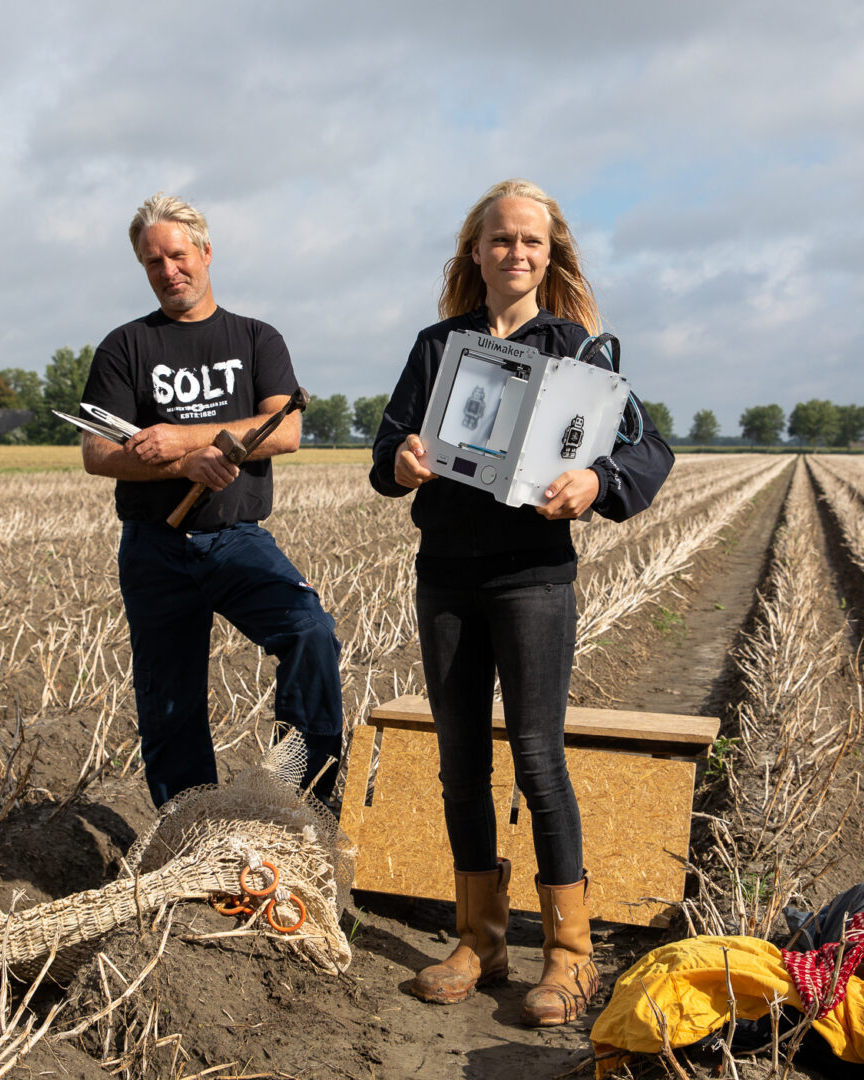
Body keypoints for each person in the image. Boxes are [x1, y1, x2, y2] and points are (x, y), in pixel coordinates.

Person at [368, 179, 673, 1026]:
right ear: (476, 252)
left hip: (534, 579)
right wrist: (402, 462)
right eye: (500, 241)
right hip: (447, 577)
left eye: (531, 243)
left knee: (538, 759)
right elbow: (387, 448)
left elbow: (651, 454)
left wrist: (595, 480)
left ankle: (568, 955)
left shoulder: (582, 351)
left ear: (552, 254)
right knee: (461, 761)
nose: (515, 254)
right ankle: (483, 940)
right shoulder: (438, 347)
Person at [80, 192, 343, 809]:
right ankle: (190, 836)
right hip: (154, 547)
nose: (168, 271)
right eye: (152, 262)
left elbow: (284, 430)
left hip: (236, 539)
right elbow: (98, 452)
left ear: (205, 252)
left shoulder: (255, 339)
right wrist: (182, 464)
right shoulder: (125, 347)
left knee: (310, 632)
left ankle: (300, 799)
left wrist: (186, 438)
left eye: (177, 255)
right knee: (169, 703)